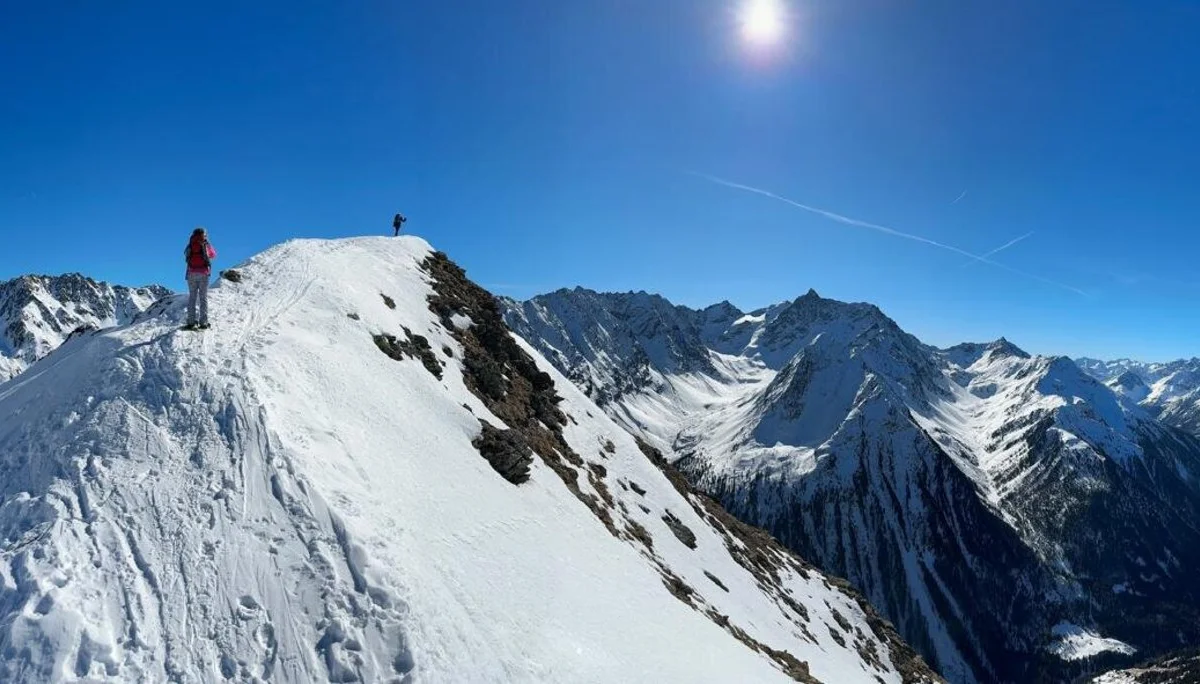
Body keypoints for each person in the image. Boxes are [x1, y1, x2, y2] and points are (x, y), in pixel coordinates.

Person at [183, 227, 217, 330]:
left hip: (191, 273)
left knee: (192, 297)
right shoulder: (205, 244)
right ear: (204, 235)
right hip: (204, 273)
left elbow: (185, 254)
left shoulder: (190, 244)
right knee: (203, 298)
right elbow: (213, 254)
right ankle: (203, 323)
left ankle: (191, 322)